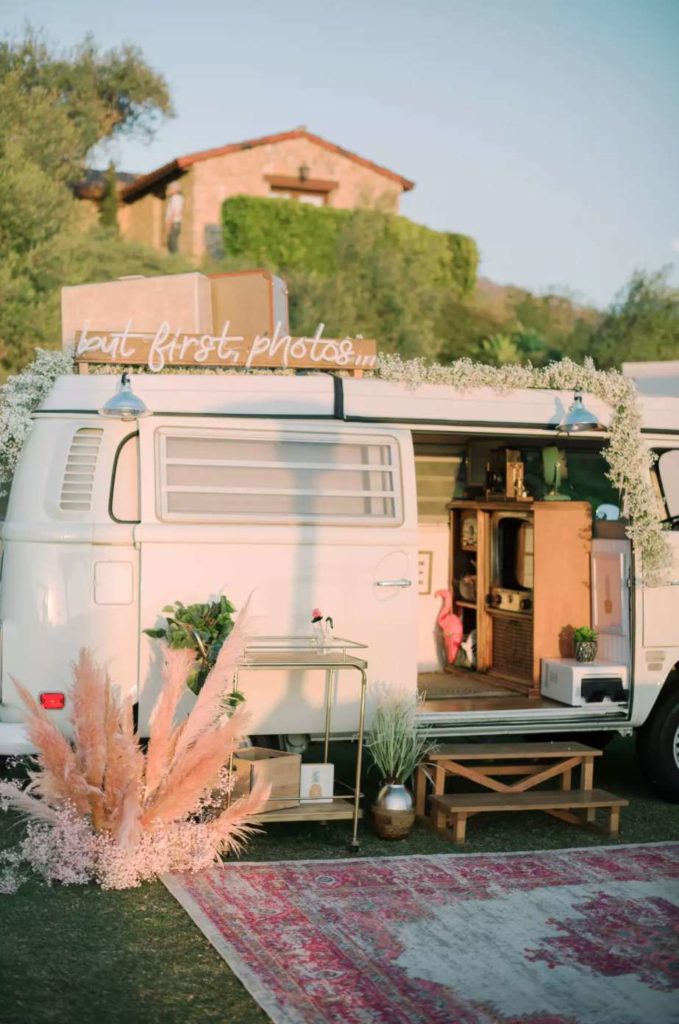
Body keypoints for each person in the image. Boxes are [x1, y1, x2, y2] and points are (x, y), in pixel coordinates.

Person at [165, 181, 184, 253]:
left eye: (171, 188)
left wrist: (169, 223)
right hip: (174, 223)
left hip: (174, 223)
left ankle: (175, 258)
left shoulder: (175, 198)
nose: (169, 190)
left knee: (172, 243)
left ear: (175, 189)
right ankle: (174, 257)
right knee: (171, 242)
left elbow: (174, 212)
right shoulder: (175, 198)